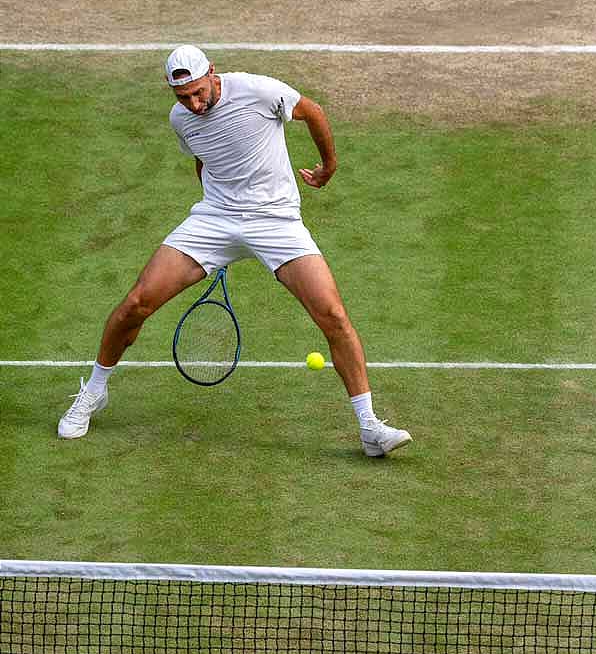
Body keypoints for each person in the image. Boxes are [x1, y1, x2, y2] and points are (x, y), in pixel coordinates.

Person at [57, 45, 411, 458]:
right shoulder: (180, 120)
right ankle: (93, 393)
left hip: (276, 221)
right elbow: (204, 161)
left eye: (198, 91)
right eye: (182, 97)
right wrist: (220, 226)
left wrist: (328, 165)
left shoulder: (259, 91)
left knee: (332, 315)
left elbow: (312, 111)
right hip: (215, 220)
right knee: (136, 303)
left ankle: (370, 428)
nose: (193, 103)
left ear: (212, 72)